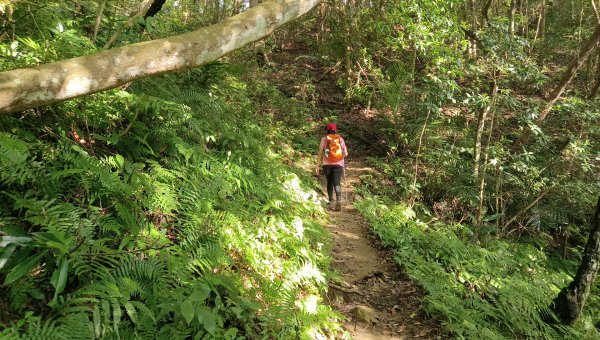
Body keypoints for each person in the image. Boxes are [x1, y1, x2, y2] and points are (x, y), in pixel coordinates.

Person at [315, 123, 348, 211]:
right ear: (335, 130)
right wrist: (340, 158)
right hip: (338, 165)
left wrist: (317, 165)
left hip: (327, 165)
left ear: (326, 130)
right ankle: (339, 200)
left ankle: (331, 201)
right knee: (337, 183)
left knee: (329, 182)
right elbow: (346, 153)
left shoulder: (323, 139)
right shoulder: (340, 139)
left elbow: (320, 153)